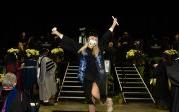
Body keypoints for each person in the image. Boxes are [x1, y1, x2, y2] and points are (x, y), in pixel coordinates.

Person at [51, 17, 118, 112]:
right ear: (87, 39)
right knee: (90, 100)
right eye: (91, 38)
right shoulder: (81, 48)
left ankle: (108, 101)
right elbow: (69, 41)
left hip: (97, 76)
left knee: (94, 93)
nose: (93, 39)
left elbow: (107, 35)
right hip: (86, 77)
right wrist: (57, 33)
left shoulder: (100, 47)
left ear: (97, 40)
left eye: (95, 38)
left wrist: (114, 23)